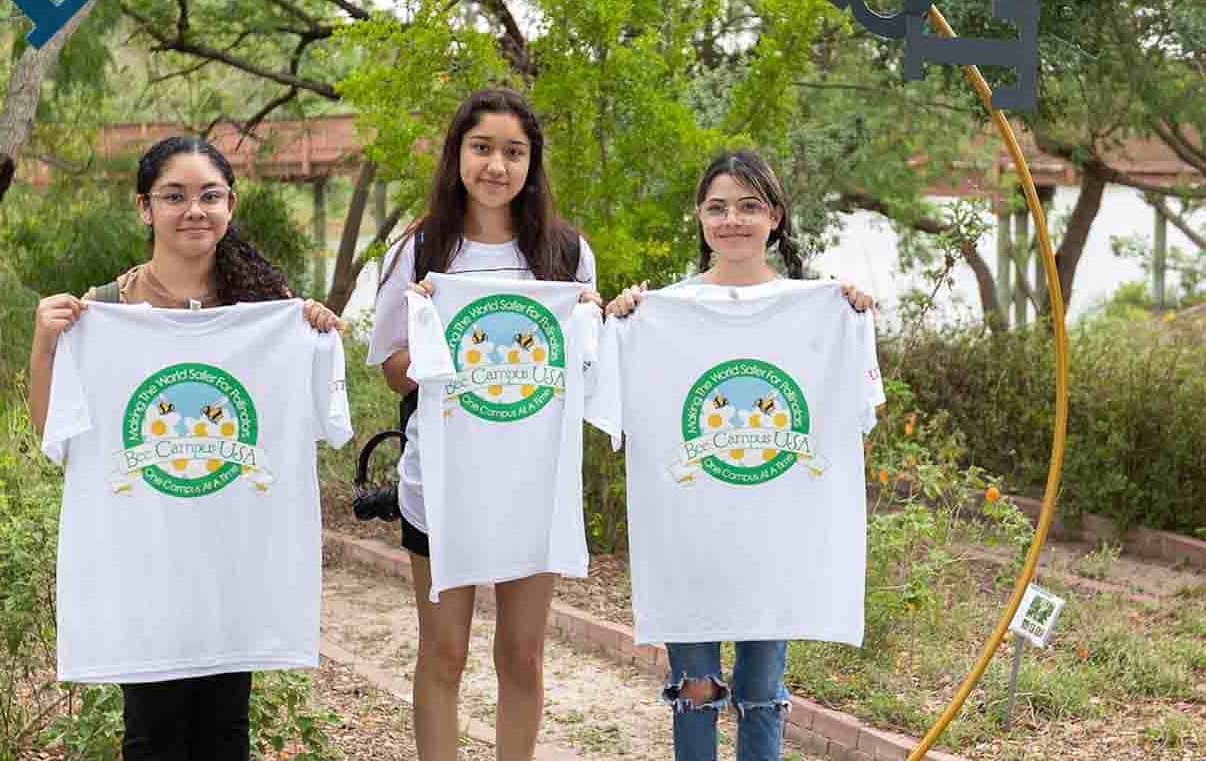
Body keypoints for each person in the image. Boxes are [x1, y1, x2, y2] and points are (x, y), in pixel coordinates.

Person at [27, 134, 338, 761]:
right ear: (144, 208)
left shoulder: (263, 310)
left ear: (230, 205)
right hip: (145, 561)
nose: (193, 210)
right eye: (174, 196)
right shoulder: (103, 313)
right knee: (153, 736)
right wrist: (45, 344)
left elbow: (311, 419)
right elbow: (52, 432)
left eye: (209, 196)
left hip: (233, 560)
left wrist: (312, 332)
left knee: (226, 733)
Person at [605, 149, 872, 761]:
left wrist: (850, 316)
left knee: (761, 688)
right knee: (696, 688)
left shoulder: (822, 310)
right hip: (689, 537)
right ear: (700, 219)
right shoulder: (660, 314)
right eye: (717, 207)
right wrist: (617, 325)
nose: (733, 221)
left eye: (749, 207)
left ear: (775, 217)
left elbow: (849, 407)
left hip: (774, 537)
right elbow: (615, 403)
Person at [366, 87, 601, 760]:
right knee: (443, 654)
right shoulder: (420, 249)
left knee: (522, 657)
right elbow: (393, 368)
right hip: (441, 488)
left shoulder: (566, 255)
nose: (496, 165)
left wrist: (593, 320)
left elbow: (580, 373)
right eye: (482, 148)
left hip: (533, 486)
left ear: (532, 164)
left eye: (513, 151)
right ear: (457, 155)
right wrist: (435, 337)